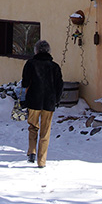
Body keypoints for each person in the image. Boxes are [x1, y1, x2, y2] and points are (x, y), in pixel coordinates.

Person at [21, 40, 63, 168]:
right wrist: (57, 99)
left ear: (36, 51)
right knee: (45, 131)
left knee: (33, 126)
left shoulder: (30, 64)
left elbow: (25, 82)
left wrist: (23, 98)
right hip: (49, 102)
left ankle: (32, 151)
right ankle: (42, 161)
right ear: (49, 51)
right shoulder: (55, 67)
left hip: (33, 100)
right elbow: (59, 85)